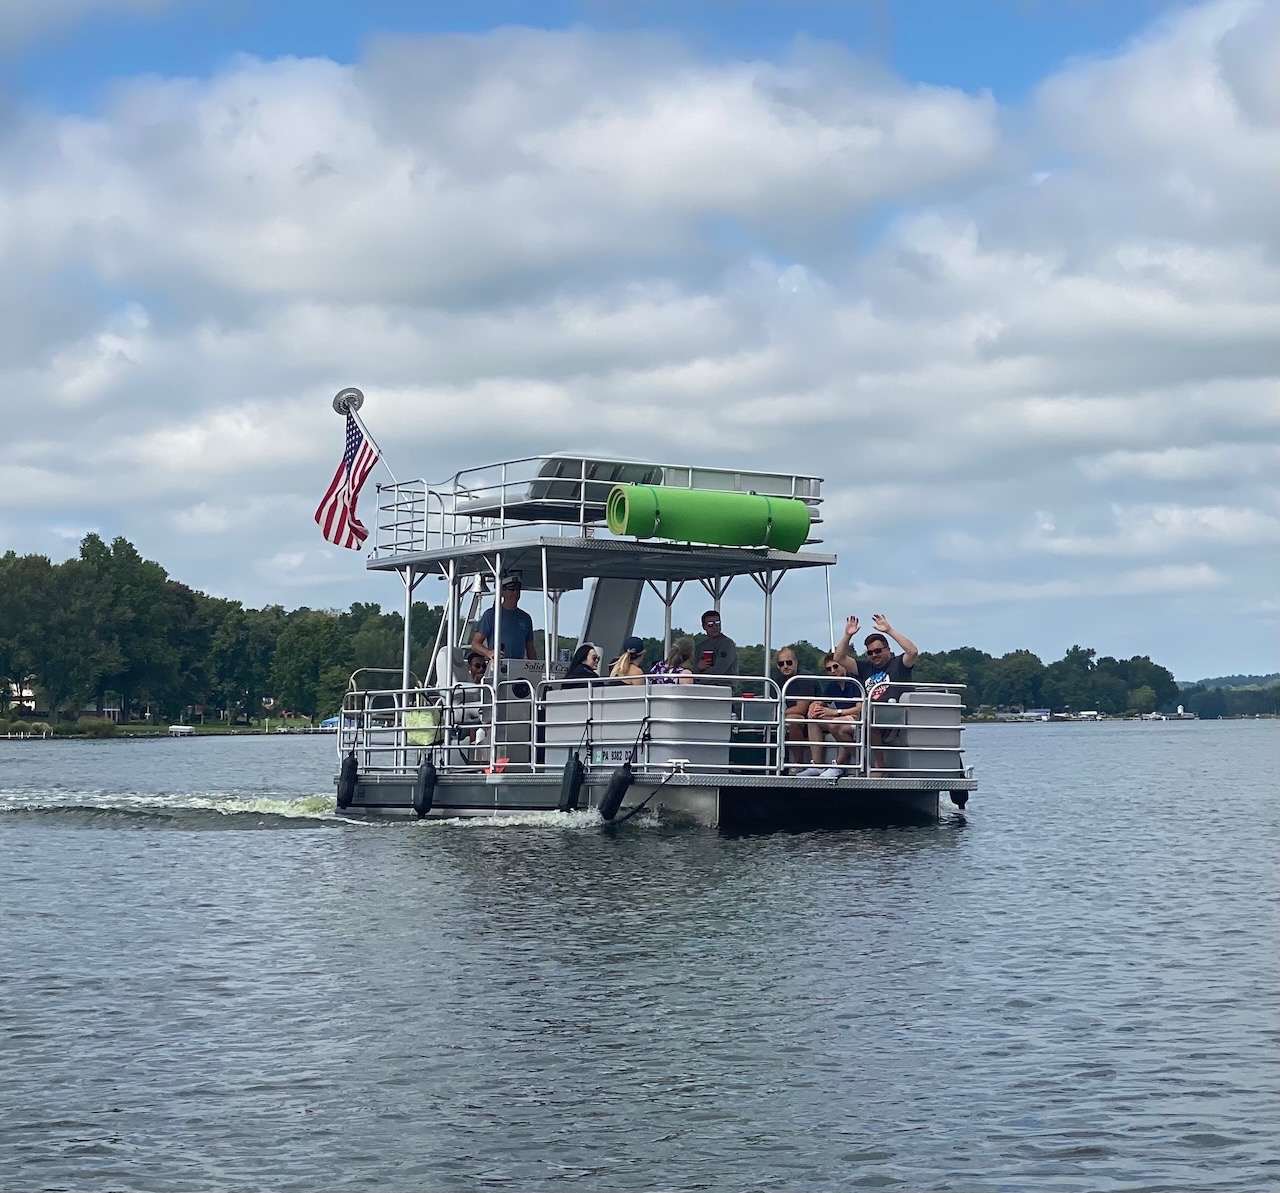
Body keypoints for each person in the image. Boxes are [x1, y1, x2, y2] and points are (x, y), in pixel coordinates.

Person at [833, 614, 918, 772]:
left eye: (878, 650)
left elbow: (912, 652)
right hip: (868, 717)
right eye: (870, 652)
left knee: (871, 720)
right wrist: (848, 635)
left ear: (888, 649)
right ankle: (864, 765)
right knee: (838, 727)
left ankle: (880, 768)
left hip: (894, 719)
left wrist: (889, 630)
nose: (874, 655)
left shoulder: (899, 664)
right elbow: (838, 657)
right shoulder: (865, 668)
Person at [774, 647, 826, 774]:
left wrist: (779, 713)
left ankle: (798, 763)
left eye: (789, 662)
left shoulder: (804, 678)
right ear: (777, 666)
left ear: (796, 662)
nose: (785, 666)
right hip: (791, 720)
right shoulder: (778, 681)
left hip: (816, 720)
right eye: (781, 664)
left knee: (794, 719)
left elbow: (802, 709)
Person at [808, 653, 862, 770]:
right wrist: (813, 707)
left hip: (857, 720)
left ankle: (839, 764)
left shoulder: (855, 682)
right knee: (813, 720)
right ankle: (817, 765)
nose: (832, 671)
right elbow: (821, 701)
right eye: (828, 669)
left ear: (843, 665)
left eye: (835, 666)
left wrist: (835, 712)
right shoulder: (832, 686)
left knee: (837, 723)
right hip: (843, 719)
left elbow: (860, 708)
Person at [471, 575, 537, 663]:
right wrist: (489, 653)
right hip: (497, 666)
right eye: (512, 590)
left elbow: (530, 648)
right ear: (502, 592)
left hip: (518, 668)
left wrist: (536, 669)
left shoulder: (526, 618)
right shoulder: (491, 615)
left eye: (518, 589)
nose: (516, 593)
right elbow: (475, 644)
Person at [694, 610, 738, 680]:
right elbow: (691, 668)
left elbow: (719, 670)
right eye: (710, 624)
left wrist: (699, 676)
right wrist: (698, 667)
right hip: (702, 685)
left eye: (717, 623)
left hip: (723, 686)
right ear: (704, 626)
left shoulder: (727, 644)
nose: (715, 627)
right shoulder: (700, 647)